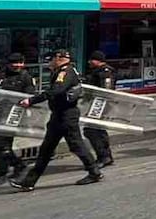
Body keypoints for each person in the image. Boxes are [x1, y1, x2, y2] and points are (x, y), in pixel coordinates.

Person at [9, 49, 103, 192]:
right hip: (59, 115)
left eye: (51, 59)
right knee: (46, 149)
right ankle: (28, 182)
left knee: (76, 145)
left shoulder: (65, 72)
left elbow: (56, 90)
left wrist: (32, 100)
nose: (50, 62)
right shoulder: (65, 71)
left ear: (59, 58)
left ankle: (94, 172)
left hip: (67, 115)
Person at [0, 53, 34, 187]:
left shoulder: (26, 77)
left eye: (20, 62)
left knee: (4, 147)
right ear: (8, 63)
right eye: (14, 63)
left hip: (11, 115)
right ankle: (17, 165)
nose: (17, 65)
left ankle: (2, 174)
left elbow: (29, 96)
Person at [83, 50, 116, 168]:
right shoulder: (95, 72)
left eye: (92, 60)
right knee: (97, 131)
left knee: (93, 130)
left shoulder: (106, 72)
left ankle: (104, 157)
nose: (89, 62)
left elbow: (106, 90)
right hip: (95, 104)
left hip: (101, 105)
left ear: (98, 60)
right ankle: (106, 156)